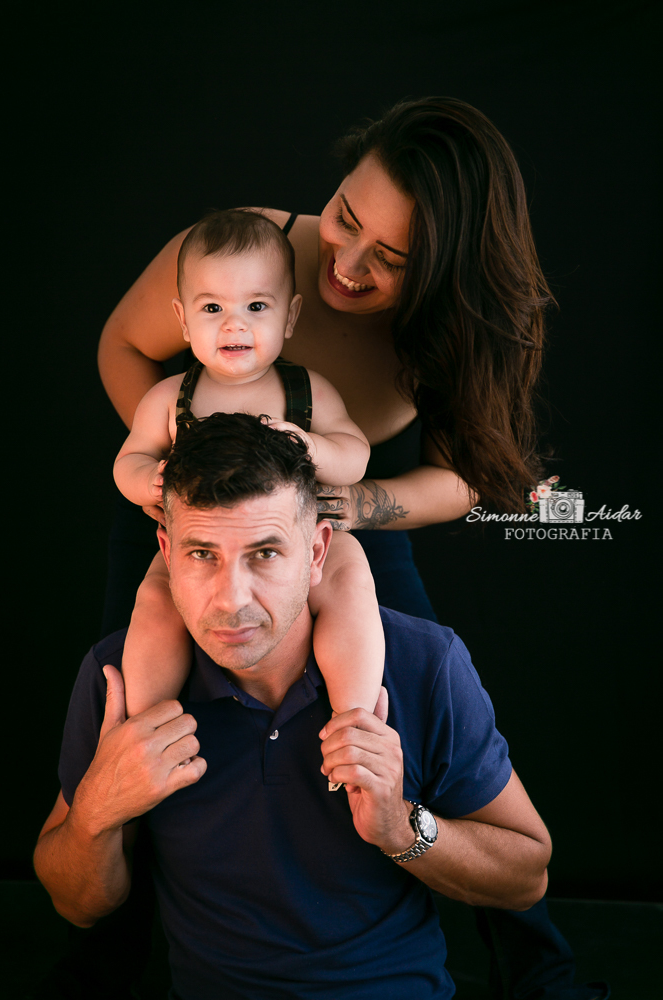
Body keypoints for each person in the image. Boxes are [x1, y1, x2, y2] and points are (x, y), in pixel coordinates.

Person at [95, 97, 607, 1000]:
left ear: (445, 272)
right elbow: (124, 347)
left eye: (392, 259)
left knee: (424, 713)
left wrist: (356, 502)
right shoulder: (243, 253)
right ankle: (105, 959)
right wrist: (181, 477)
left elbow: (471, 477)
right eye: (344, 216)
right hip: (199, 512)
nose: (346, 261)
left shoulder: (458, 327)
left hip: (348, 519)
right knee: (138, 719)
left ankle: (537, 967)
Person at [35, 413, 553, 1000]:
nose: (231, 599)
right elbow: (77, 905)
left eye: (264, 553)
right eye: (202, 553)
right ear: (166, 553)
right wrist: (97, 811)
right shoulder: (120, 677)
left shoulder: (421, 664)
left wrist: (400, 826)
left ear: (316, 552)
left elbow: (526, 879)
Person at [114, 207, 383, 723]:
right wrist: (147, 481)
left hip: (301, 539)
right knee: (154, 600)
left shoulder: (308, 391)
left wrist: (313, 446)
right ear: (182, 320)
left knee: (351, 580)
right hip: (203, 548)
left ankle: (354, 717)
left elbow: (356, 454)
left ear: (290, 316)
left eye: (256, 306)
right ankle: (147, 724)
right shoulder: (169, 398)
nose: (234, 323)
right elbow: (129, 460)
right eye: (212, 307)